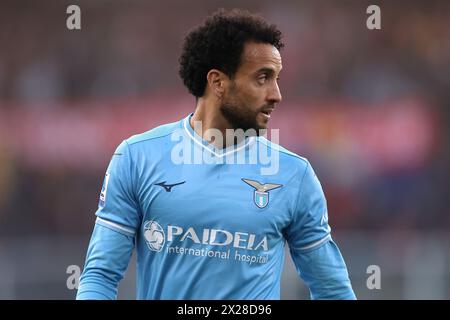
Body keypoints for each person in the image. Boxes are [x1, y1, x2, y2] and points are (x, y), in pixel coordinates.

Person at [76, 8, 356, 300]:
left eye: (276, 79)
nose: (276, 94)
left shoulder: (294, 175)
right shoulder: (136, 157)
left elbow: (332, 290)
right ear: (218, 82)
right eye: (262, 78)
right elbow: (100, 276)